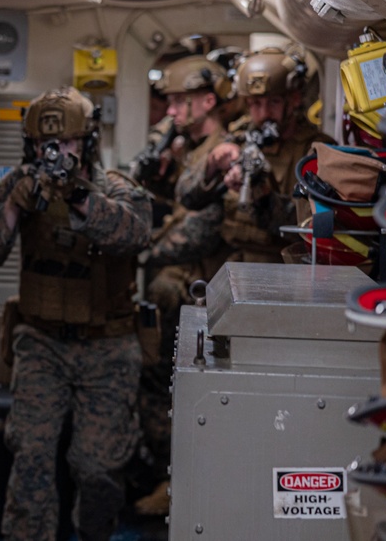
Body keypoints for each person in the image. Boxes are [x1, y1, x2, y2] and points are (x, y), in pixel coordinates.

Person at [0, 87, 151, 541]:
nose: (54, 152)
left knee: (97, 469)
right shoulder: (19, 186)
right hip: (42, 344)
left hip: (107, 346)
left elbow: (135, 235)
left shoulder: (114, 187)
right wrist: (13, 206)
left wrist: (78, 197)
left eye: (67, 143)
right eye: (44, 145)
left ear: (86, 143)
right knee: (29, 455)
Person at [132, 55, 239, 515]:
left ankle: (183, 483)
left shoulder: (223, 152)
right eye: (170, 101)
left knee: (179, 387)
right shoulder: (188, 150)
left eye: (180, 101)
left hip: (197, 288)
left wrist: (141, 252)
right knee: (160, 383)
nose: (172, 110)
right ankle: (169, 476)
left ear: (208, 101)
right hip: (176, 282)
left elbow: (205, 226)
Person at [177, 46, 334, 262]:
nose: (263, 114)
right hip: (233, 259)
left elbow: (317, 226)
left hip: (284, 264)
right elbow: (186, 196)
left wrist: (262, 195)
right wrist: (212, 163)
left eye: (274, 102)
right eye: (255, 104)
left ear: (295, 99)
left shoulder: (316, 150)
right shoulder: (238, 137)